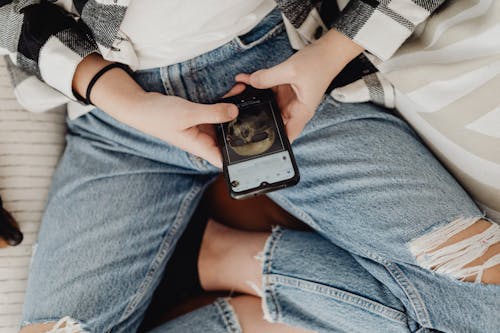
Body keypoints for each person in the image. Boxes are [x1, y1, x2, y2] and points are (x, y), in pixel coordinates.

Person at [1, 1, 498, 332]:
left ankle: (243, 266)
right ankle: (259, 298)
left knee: (489, 306)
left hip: (287, 79)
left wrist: (334, 52)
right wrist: (119, 96)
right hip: (116, 112)